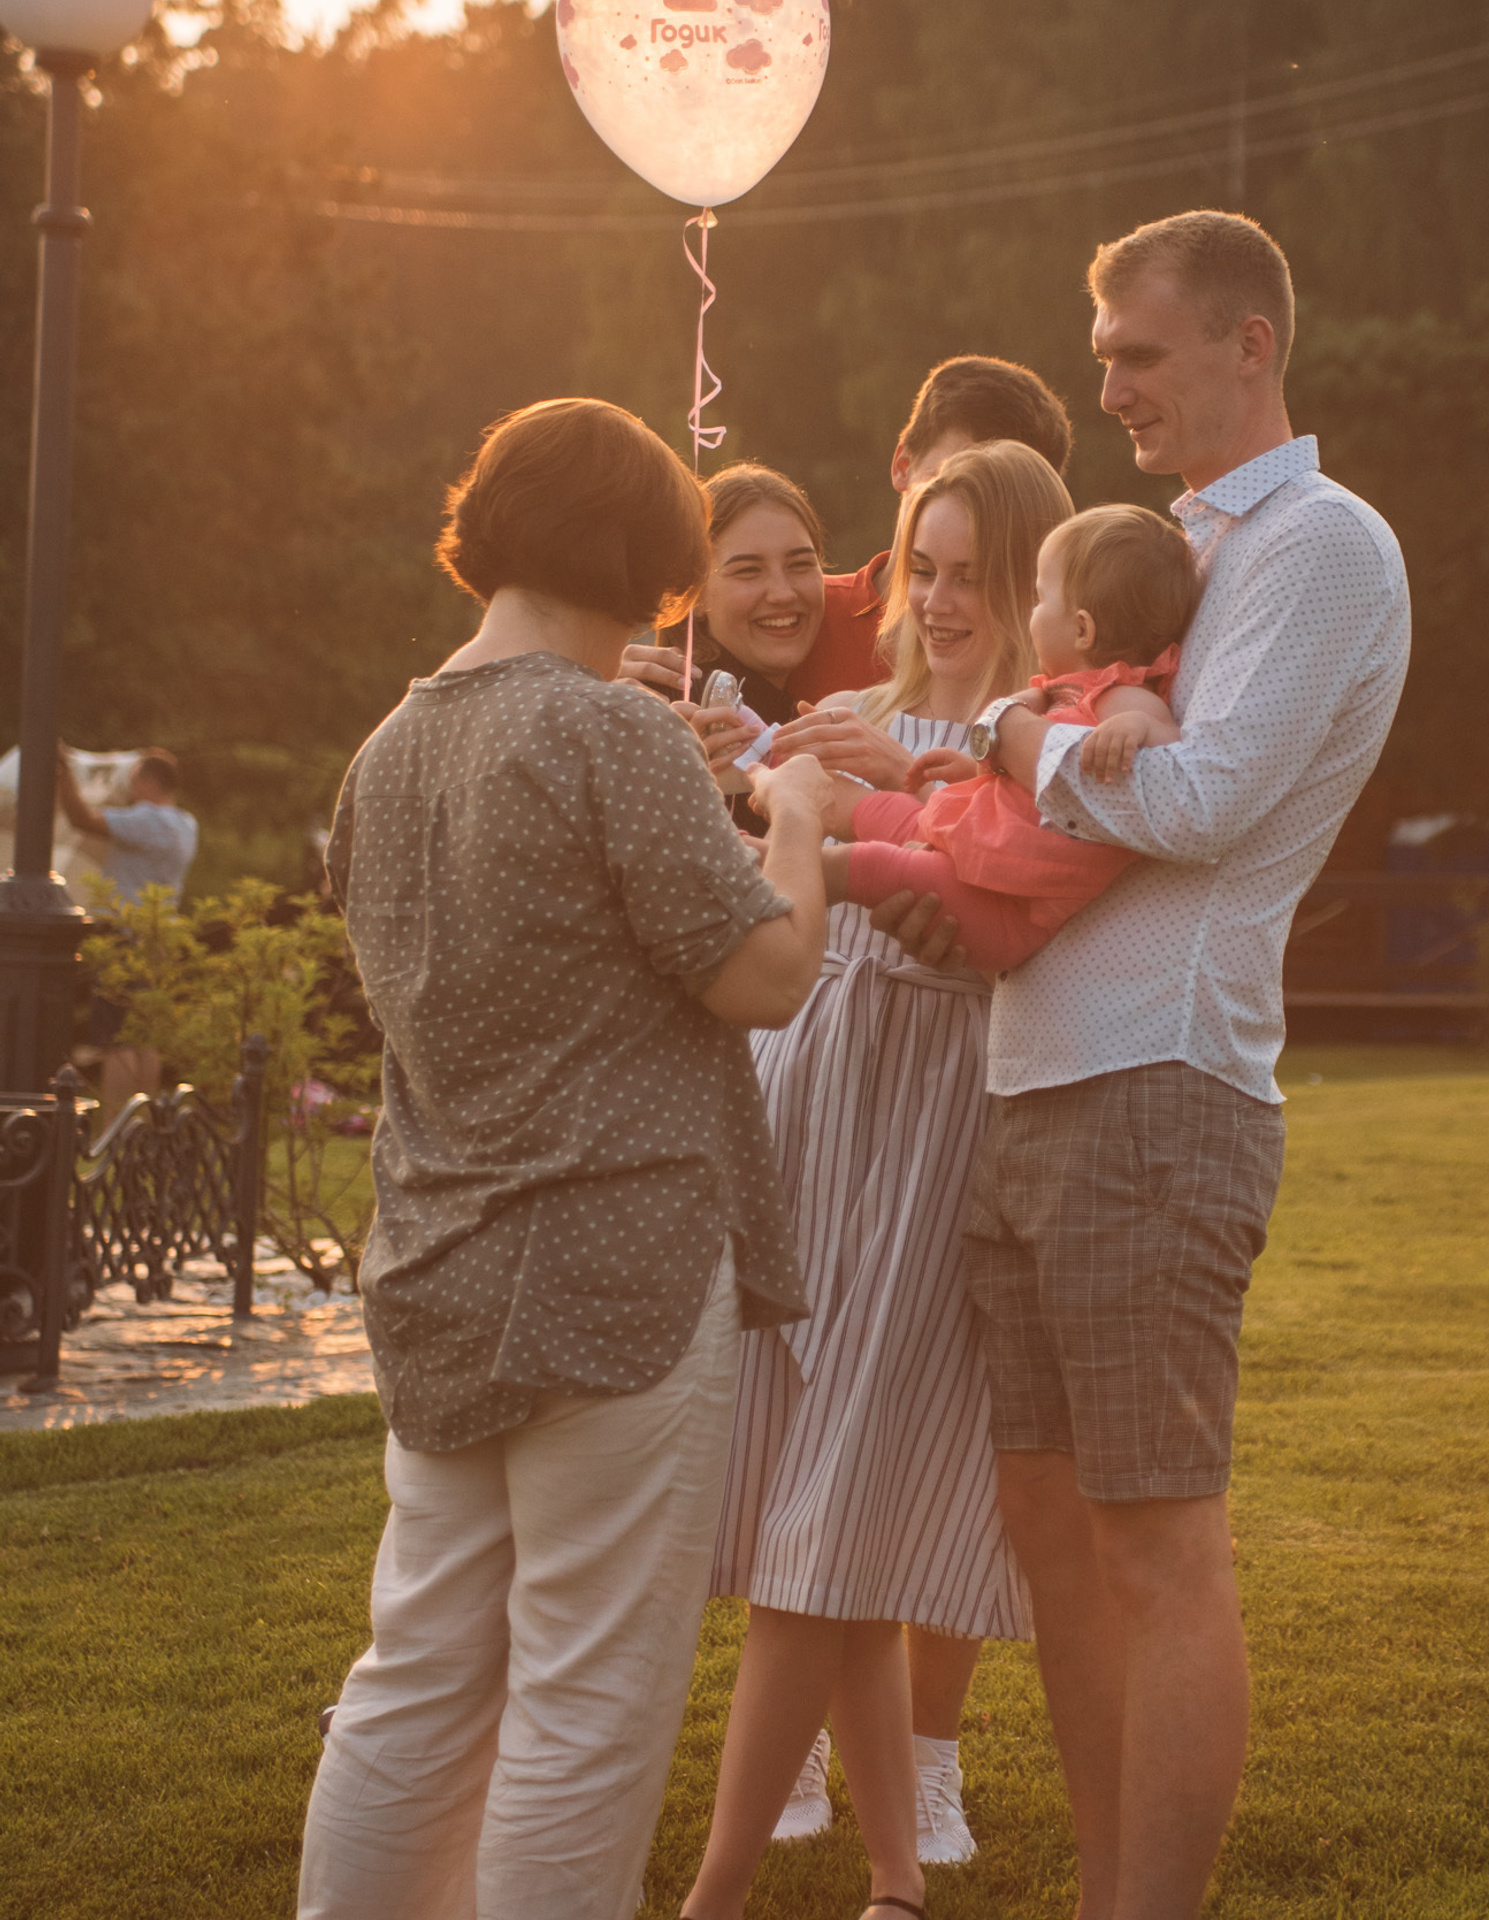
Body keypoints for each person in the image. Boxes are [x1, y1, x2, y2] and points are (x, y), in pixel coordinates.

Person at [298, 398, 836, 1920]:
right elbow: (767, 974)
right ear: (640, 558)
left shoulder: (387, 749)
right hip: (619, 1271)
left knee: (416, 1672)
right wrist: (791, 810)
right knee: (585, 1698)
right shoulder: (603, 729)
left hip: (437, 1269)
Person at [949, 213, 1413, 1920]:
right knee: (1052, 1538)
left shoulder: (1320, 548)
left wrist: (1018, 734)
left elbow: (1204, 800)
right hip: (1030, 1079)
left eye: (1139, 356)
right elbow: (1099, 773)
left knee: (1152, 1542)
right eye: (1103, 358)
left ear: (1248, 344)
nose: (1110, 387)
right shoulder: (1157, 545)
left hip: (1162, 1085)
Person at [677, 440, 1075, 1920]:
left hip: (931, 1128)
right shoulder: (848, 717)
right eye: (926, 567)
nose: (947, 599)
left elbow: (1002, 920)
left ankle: (713, 1897)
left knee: (833, 1520)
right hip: (811, 1111)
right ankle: (899, 1882)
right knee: (812, 1502)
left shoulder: (1046, 748)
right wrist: (746, 783)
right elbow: (754, 883)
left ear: (1033, 582)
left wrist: (884, 805)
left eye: (976, 574)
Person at [834, 504, 1198, 973]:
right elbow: (1024, 772)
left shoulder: (1122, 694)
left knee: (884, 869)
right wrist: (976, 769)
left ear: (1083, 628)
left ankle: (802, 867)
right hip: (983, 855)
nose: (1032, 613)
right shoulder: (1054, 693)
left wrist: (1135, 728)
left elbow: (1166, 739)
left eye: (1040, 600)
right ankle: (800, 819)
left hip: (1011, 906)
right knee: (899, 817)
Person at [620, 353, 1072, 717]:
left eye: (1007, 499)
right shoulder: (804, 612)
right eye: (951, 477)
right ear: (902, 465)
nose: (973, 515)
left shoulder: (1063, 664)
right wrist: (596, 677)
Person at [674, 463, 830, 830]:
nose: (782, 593)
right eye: (748, 571)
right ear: (694, 595)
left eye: (800, 564)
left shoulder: (816, 708)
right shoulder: (680, 724)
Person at [57, 745, 198, 1113]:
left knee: (115, 1040)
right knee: (145, 1038)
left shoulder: (145, 820)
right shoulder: (186, 826)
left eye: (133, 779)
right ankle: (142, 1127)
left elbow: (82, 819)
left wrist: (64, 776)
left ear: (148, 781)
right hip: (159, 937)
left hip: (124, 936)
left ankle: (116, 1129)